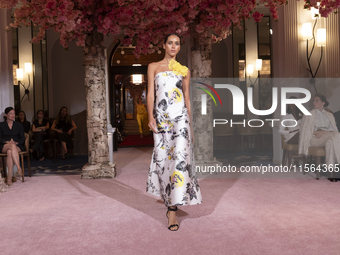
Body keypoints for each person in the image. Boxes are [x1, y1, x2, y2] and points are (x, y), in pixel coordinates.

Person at [146, 34, 202, 231]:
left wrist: (191, 127)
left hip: (181, 120)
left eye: (177, 43)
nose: (173, 46)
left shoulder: (184, 70)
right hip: (162, 119)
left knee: (179, 159)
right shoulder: (153, 66)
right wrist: (151, 117)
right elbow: (151, 94)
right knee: (162, 159)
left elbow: (187, 98)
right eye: (170, 42)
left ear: (179, 47)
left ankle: (172, 210)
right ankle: (166, 195)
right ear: (164, 45)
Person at [299, 93, 340, 182]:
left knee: (330, 142)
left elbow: (333, 130)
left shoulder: (329, 115)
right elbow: (307, 131)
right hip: (314, 138)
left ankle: (330, 173)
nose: (314, 102)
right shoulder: (309, 114)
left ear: (323, 103)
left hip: (327, 137)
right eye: (313, 100)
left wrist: (324, 133)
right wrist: (318, 132)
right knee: (337, 135)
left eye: (317, 100)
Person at [0, 107, 25, 185]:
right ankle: (19, 167)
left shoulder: (19, 125)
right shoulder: (1, 125)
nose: (12, 115)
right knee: (10, 146)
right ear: (6, 115)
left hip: (17, 146)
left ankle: (9, 177)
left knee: (10, 151)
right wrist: (6, 141)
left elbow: (22, 138)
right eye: (10, 113)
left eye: (13, 113)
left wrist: (17, 143)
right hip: (4, 145)